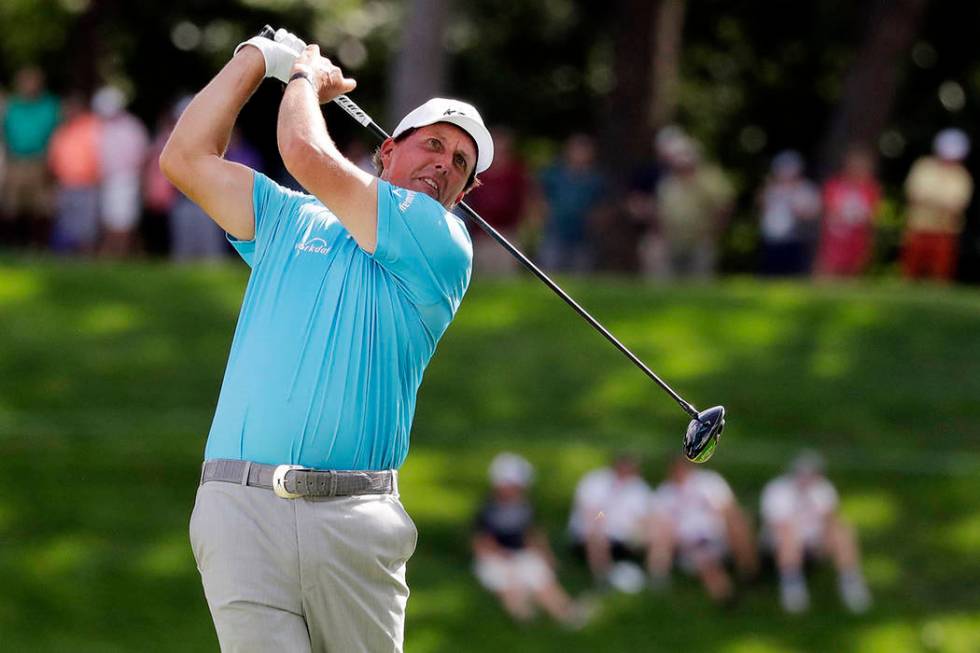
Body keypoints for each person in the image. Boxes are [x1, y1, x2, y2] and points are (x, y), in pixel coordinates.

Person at [160, 28, 492, 652]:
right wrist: (254, 59)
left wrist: (304, 77)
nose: (444, 165)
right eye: (435, 145)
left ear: (463, 195)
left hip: (352, 519)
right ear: (387, 153)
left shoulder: (442, 244)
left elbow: (304, 153)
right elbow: (184, 159)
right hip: (239, 506)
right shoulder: (290, 218)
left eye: (461, 164)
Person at [472, 453, 588, 627]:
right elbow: (481, 541)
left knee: (544, 583)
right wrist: (502, 558)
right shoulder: (488, 509)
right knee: (511, 588)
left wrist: (546, 555)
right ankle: (527, 621)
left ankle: (567, 614)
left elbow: (532, 534)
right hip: (496, 558)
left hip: (522, 554)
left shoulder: (525, 506)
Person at [760, 451, 871, 614]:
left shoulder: (824, 489)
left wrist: (827, 541)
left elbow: (830, 519)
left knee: (843, 530)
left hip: (814, 541)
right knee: (787, 535)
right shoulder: (777, 490)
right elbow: (778, 525)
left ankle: (850, 581)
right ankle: (792, 584)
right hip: (781, 543)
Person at [646, 458, 757, 604]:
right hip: (689, 542)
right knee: (706, 561)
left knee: (738, 523)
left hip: (719, 535)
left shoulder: (709, 481)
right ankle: (725, 595)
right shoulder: (665, 493)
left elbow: (728, 508)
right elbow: (659, 523)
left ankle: (748, 572)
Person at [568, 454, 654, 589]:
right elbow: (594, 514)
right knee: (597, 533)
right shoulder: (595, 481)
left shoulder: (639, 487)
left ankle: (653, 576)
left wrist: (640, 531)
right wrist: (603, 523)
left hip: (625, 535)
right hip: (593, 532)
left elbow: (644, 517)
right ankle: (602, 580)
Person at [655, 135, 734, 279]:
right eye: (677, 155)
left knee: (699, 283)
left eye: (684, 153)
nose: (680, 159)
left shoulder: (710, 178)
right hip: (672, 241)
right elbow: (661, 211)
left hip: (701, 241)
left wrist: (714, 233)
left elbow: (724, 207)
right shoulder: (668, 182)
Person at [901, 128, 974, 282]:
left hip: (945, 230)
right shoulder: (923, 167)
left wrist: (931, 201)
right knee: (910, 270)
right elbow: (914, 194)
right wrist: (939, 203)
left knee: (940, 271)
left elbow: (957, 205)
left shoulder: (962, 176)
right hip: (919, 226)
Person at [1, 66, 60, 248]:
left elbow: (58, 134)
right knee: (12, 204)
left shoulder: (50, 106)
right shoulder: (11, 106)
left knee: (40, 206)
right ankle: (13, 244)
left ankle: (37, 245)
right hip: (16, 160)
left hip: (41, 160)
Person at [464, 127, 530, 276]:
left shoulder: (515, 172)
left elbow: (525, 201)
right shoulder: (477, 172)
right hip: (481, 235)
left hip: (508, 234)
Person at [536, 133, 606, 273]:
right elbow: (539, 197)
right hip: (555, 232)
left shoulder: (595, 180)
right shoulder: (554, 175)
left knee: (580, 273)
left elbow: (602, 206)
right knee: (550, 272)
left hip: (583, 236)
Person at [93, 85, 149, 257]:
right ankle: (115, 253)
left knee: (124, 220)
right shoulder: (102, 128)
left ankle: (118, 254)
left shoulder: (131, 127)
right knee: (110, 219)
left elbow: (141, 156)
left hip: (126, 179)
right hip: (106, 179)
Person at [814, 146, 882, 277]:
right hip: (836, 237)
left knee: (853, 271)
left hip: (858, 236)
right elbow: (829, 209)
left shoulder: (871, 188)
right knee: (829, 270)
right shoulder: (835, 185)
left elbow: (872, 214)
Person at [47, 93, 101, 255]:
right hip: (65, 184)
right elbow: (53, 159)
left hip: (87, 183)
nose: (68, 112)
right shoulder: (61, 131)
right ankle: (68, 259)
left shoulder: (92, 126)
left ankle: (86, 258)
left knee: (87, 226)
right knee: (66, 225)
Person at [757, 150, 822, 276]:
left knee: (794, 277)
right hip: (772, 241)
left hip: (795, 241)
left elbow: (814, 214)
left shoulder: (806, 189)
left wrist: (800, 212)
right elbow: (762, 207)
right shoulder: (772, 188)